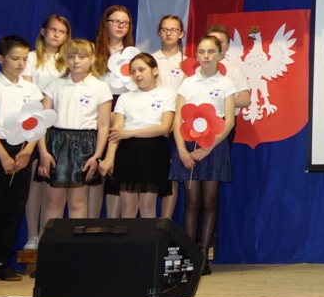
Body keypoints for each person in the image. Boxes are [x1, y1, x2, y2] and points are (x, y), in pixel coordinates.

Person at [0, 36, 44, 282]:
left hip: (23, 149)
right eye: (15, 58)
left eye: (24, 59)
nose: (20, 64)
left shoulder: (30, 88)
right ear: (0, 58)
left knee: (14, 210)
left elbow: (38, 123)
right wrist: (4, 157)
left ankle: (3, 262)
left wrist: (27, 151)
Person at [169, 35, 236, 274]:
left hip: (214, 147)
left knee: (209, 201)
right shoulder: (187, 83)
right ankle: (189, 257)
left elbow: (229, 121)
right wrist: (181, 150)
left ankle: (203, 256)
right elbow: (177, 119)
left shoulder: (226, 84)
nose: (206, 56)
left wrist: (208, 148)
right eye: (201, 52)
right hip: (188, 145)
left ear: (220, 55)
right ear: (196, 55)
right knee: (192, 201)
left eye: (211, 52)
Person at [38, 39, 113, 223]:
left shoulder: (100, 88)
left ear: (92, 59)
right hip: (56, 143)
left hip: (85, 144)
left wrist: (96, 156)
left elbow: (103, 125)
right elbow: (42, 122)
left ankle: (74, 241)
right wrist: (43, 153)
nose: (76, 61)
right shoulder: (54, 86)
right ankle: (50, 240)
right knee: (53, 201)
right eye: (71, 56)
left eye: (82, 57)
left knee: (78, 202)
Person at [100, 54, 175, 218]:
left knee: (148, 206)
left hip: (154, 151)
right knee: (128, 207)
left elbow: (164, 128)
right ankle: (128, 236)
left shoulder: (167, 95)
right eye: (133, 71)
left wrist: (129, 133)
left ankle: (148, 237)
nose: (137, 75)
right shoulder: (125, 98)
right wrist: (109, 158)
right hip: (128, 152)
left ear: (154, 71)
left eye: (141, 70)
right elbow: (116, 132)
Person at [21, 14, 71, 251]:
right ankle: (32, 236)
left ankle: (46, 235)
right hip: (36, 121)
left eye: (61, 31)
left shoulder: (68, 59)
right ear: (43, 32)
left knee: (53, 185)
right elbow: (28, 90)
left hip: (62, 125)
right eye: (52, 29)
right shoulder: (31, 58)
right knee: (35, 183)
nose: (56, 35)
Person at [93, 5, 135, 220]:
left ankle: (112, 226)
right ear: (105, 23)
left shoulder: (134, 55)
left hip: (123, 113)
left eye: (125, 22)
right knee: (93, 175)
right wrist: (102, 114)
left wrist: (118, 115)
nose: (120, 26)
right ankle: (89, 226)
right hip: (95, 111)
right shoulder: (92, 52)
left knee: (116, 173)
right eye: (116, 21)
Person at [152, 15, 186, 220]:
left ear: (181, 33)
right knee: (151, 172)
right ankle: (147, 224)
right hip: (152, 122)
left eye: (174, 30)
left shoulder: (188, 62)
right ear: (159, 32)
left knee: (172, 174)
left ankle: (165, 223)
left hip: (177, 123)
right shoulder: (150, 59)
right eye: (165, 29)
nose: (169, 34)